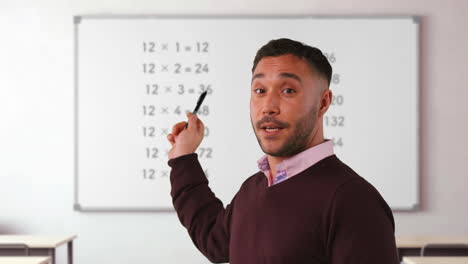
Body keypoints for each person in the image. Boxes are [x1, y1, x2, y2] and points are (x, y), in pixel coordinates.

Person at [166, 38, 399, 264]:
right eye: (259, 90)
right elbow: (213, 240)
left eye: (288, 91)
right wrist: (184, 158)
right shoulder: (253, 189)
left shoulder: (353, 201)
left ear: (323, 103)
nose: (268, 106)